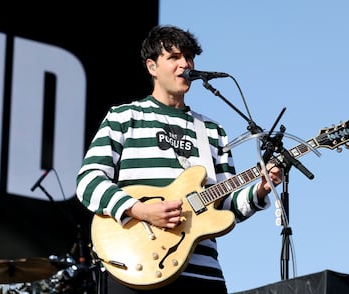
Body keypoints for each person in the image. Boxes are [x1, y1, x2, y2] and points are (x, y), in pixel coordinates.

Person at [76, 25, 282, 294]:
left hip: (202, 274)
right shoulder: (124, 117)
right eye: (173, 57)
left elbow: (226, 205)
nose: (184, 64)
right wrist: (138, 210)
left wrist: (261, 188)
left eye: (188, 57)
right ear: (152, 67)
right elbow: (88, 181)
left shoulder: (212, 131)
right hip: (136, 266)